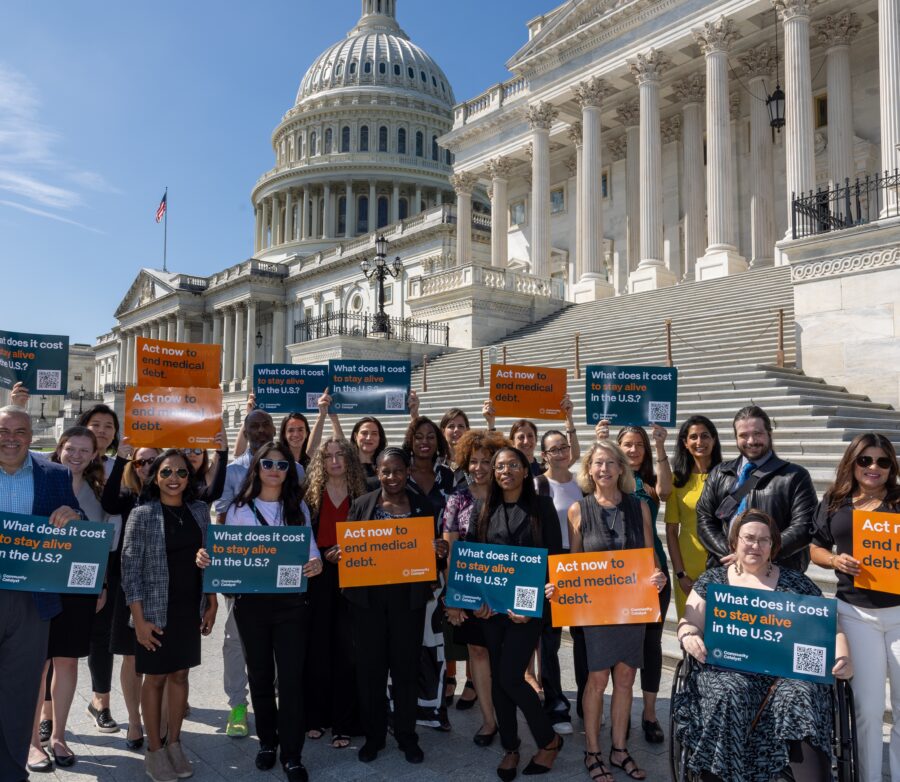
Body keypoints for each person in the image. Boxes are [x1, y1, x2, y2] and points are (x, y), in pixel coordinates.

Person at [674, 509, 853, 782]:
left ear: (773, 546)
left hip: (783, 676)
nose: (755, 546)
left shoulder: (797, 583)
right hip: (727, 671)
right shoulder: (713, 581)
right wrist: (688, 636)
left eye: (763, 540)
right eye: (748, 538)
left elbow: (832, 628)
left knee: (800, 693)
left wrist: (843, 656)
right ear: (734, 542)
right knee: (729, 690)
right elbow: (689, 621)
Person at [198, 443, 323, 782]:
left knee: (292, 682)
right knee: (260, 677)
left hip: (291, 605)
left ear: (288, 472)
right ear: (256, 467)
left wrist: (316, 563)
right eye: (267, 463)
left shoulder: (298, 509)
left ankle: (293, 754)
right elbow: (225, 553)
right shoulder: (239, 509)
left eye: (281, 465)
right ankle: (268, 743)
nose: (273, 469)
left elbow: (310, 550)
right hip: (251, 604)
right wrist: (208, 559)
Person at [560, 441, 666, 781]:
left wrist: (659, 576)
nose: (603, 469)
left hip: (632, 608)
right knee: (596, 679)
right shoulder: (578, 510)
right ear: (588, 471)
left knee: (625, 678)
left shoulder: (641, 508)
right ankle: (592, 751)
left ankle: (619, 749)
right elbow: (573, 563)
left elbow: (649, 556)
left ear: (622, 469)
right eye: (597, 463)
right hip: (596, 610)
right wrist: (558, 587)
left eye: (610, 463)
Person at [336, 447, 447, 765]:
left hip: (407, 602)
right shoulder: (361, 505)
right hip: (368, 603)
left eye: (398, 470)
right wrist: (341, 556)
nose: (392, 477)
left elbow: (432, 549)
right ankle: (374, 737)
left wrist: (439, 549)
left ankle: (406, 735)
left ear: (408, 471)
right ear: (378, 473)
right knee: (371, 671)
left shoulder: (421, 506)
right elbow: (349, 550)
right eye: (386, 471)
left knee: (405, 670)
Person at [122, 450, 217, 782]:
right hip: (154, 611)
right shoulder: (143, 514)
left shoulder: (200, 511)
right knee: (156, 678)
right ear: (155, 477)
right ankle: (155, 749)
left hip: (189, 607)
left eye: (181, 472)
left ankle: (175, 743)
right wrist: (139, 620)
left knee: (180, 676)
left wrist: (211, 601)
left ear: (189, 478)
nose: (174, 478)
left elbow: (210, 558)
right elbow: (129, 571)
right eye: (166, 472)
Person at [810, 433, 900, 782]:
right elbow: (816, 546)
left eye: (882, 461)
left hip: (899, 615)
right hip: (855, 613)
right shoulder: (835, 500)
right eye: (866, 460)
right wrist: (834, 560)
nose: (873, 467)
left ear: (891, 466)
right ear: (853, 461)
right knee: (867, 708)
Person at [0, 406, 81, 782]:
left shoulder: (56, 474)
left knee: (20, 693)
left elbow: (78, 524)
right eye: (3, 430)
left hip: (34, 601)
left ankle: (13, 771)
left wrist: (73, 516)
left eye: (19, 431)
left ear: (32, 436)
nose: (10, 438)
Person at [474, 445, 564, 781]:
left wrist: (529, 608)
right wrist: (476, 601)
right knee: (500, 680)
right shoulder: (484, 507)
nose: (505, 470)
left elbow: (551, 559)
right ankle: (511, 747)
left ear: (526, 471)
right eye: (499, 466)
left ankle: (548, 739)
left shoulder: (541, 507)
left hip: (528, 609)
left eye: (513, 464)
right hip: (492, 609)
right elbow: (474, 556)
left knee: (511, 676)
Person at [27, 427, 110, 770]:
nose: (76, 455)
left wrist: (101, 583)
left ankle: (59, 735)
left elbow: (99, 537)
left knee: (67, 661)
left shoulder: (99, 488)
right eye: (70, 448)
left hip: (78, 584)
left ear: (94, 454)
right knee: (37, 664)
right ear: (60, 449)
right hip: (42, 580)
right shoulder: (41, 476)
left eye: (84, 450)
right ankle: (32, 741)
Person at [595, 421, 671, 743]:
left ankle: (650, 712)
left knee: (651, 645)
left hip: (650, 571)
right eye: (627, 444)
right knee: (617, 649)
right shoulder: (612, 478)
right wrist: (601, 442)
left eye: (638, 444)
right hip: (614, 575)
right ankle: (617, 712)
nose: (633, 449)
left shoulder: (650, 482)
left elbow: (666, 491)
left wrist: (660, 444)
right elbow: (591, 487)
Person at [214, 407, 278, 739]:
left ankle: (275, 701)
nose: (260, 430)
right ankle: (237, 704)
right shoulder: (233, 470)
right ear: (247, 431)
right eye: (254, 426)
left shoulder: (291, 467)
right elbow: (221, 515)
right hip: (243, 568)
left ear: (273, 428)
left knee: (278, 640)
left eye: (265, 424)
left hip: (280, 571)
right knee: (235, 640)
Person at [443, 429, 510, 746]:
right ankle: (488, 720)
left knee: (504, 657)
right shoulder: (457, 499)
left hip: (505, 591)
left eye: (487, 461)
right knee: (478, 653)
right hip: (470, 592)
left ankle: (507, 715)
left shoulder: (509, 495)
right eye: (474, 461)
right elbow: (452, 551)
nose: (480, 467)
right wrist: (454, 599)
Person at [302, 437, 367, 748]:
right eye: (327, 456)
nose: (334, 461)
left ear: (350, 460)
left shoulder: (364, 494)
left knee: (348, 651)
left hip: (353, 574)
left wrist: (350, 550)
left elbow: (373, 537)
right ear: (320, 462)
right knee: (317, 648)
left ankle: (343, 722)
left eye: (341, 455)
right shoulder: (309, 495)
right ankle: (314, 716)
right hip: (318, 575)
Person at [696, 405, 816, 572]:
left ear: (769, 434)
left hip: (777, 572)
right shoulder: (720, 473)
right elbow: (704, 519)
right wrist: (733, 553)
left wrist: (759, 554)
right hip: (726, 567)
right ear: (736, 437)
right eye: (744, 435)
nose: (751, 441)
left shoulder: (795, 476)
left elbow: (803, 526)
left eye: (757, 433)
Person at [101, 440, 160, 750]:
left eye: (153, 461)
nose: (147, 467)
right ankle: (134, 721)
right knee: (131, 655)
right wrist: (122, 456)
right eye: (140, 462)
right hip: (130, 581)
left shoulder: (171, 491)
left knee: (162, 656)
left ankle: (159, 717)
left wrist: (219, 452)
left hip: (163, 584)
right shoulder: (127, 497)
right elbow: (109, 502)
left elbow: (210, 492)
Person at [402, 416, 455, 729]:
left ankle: (432, 709)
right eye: (418, 436)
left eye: (431, 437)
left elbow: (456, 522)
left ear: (438, 442)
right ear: (410, 439)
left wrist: (446, 546)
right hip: (400, 573)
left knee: (432, 643)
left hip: (435, 575)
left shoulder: (448, 478)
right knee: (402, 643)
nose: (424, 442)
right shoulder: (398, 472)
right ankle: (399, 708)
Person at [75, 403, 123, 735]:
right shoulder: (67, 464)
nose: (102, 430)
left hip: (111, 558)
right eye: (96, 424)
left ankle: (100, 702)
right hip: (71, 557)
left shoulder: (121, 467)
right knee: (56, 640)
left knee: (101, 636)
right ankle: (47, 713)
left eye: (109, 425)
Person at [534, 429, 583, 736]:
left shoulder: (584, 483)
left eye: (564, 447)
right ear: (544, 456)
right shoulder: (538, 484)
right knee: (549, 640)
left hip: (579, 563)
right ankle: (555, 703)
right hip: (550, 564)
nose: (561, 453)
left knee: (584, 638)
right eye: (554, 450)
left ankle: (586, 701)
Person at [665, 416, 722, 617]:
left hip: (721, 562)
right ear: (685, 443)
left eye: (705, 436)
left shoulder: (728, 476)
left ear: (714, 440)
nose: (700, 442)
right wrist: (681, 574)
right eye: (694, 437)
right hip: (688, 566)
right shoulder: (677, 480)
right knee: (691, 632)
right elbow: (671, 531)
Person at [482, 398, 581, 475]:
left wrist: (569, 420)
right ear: (512, 442)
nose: (526, 441)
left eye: (530, 436)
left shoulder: (545, 471)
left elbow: (573, 456)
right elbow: (490, 457)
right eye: (521, 437)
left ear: (536, 439)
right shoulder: (505, 470)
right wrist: (490, 423)